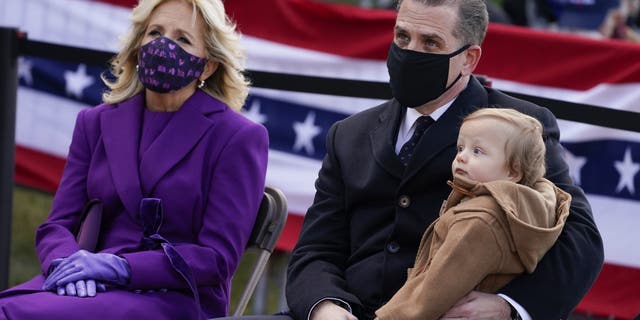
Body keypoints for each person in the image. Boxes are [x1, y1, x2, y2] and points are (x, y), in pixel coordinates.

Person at [285, 0, 603, 319]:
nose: (410, 51)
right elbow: (316, 249)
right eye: (402, 37)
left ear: (469, 58)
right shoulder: (349, 133)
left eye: (431, 42)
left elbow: (580, 239)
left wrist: (509, 306)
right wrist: (325, 306)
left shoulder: (518, 126)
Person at [0, 0, 268, 319]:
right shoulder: (95, 123)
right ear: (139, 46)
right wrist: (66, 264)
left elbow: (216, 259)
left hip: (171, 296)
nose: (164, 45)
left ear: (208, 65)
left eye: (183, 39)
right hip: (81, 285)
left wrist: (118, 267)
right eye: (155, 32)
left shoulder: (237, 137)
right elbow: (57, 225)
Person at [375, 108, 571, 320]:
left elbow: (435, 290)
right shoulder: (528, 203)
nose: (462, 157)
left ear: (513, 172)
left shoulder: (479, 219)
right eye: (460, 148)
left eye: (477, 151)